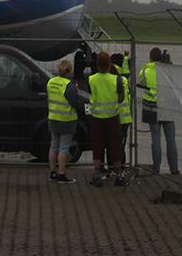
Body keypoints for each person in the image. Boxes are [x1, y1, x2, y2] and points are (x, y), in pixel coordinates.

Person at [138, 48, 179, 174]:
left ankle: (156, 167)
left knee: (156, 139)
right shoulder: (167, 71)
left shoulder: (144, 71)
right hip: (167, 107)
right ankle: (174, 168)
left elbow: (143, 82)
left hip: (152, 108)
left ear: (150, 57)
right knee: (171, 139)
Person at [88, 51, 125, 186]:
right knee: (115, 146)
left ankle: (97, 174)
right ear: (109, 64)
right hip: (112, 117)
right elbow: (121, 97)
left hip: (97, 117)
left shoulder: (92, 79)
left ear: (97, 64)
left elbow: (91, 93)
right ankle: (118, 174)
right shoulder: (116, 80)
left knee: (97, 146)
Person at [47, 60, 84, 184]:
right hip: (66, 119)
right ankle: (62, 174)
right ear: (69, 70)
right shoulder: (68, 85)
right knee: (63, 148)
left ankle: (52, 173)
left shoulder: (51, 82)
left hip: (53, 118)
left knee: (53, 146)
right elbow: (74, 102)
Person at [111, 52, 132, 165]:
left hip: (114, 116)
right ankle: (121, 168)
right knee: (121, 146)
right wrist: (125, 58)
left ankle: (113, 167)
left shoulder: (112, 78)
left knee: (112, 145)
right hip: (126, 118)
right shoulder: (123, 79)